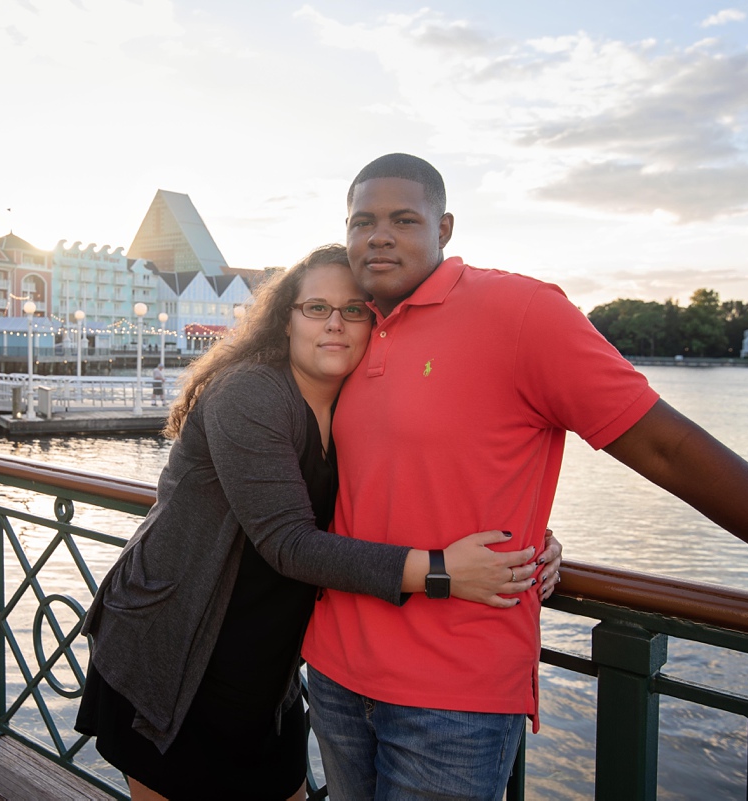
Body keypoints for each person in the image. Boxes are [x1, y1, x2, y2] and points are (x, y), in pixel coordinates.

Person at [300, 153, 748, 800]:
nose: (379, 235)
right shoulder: (345, 331)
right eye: (363, 221)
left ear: (445, 229)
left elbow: (668, 448)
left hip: (453, 696)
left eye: (403, 218)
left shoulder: (522, 312)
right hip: (334, 672)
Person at [76, 245, 562, 801]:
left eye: (354, 309)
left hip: (266, 664)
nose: (335, 323)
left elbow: (425, 482)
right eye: (315, 308)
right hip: (174, 650)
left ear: (374, 324)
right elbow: (288, 543)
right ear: (285, 319)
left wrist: (529, 542)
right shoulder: (251, 392)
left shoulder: (363, 400)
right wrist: (444, 572)